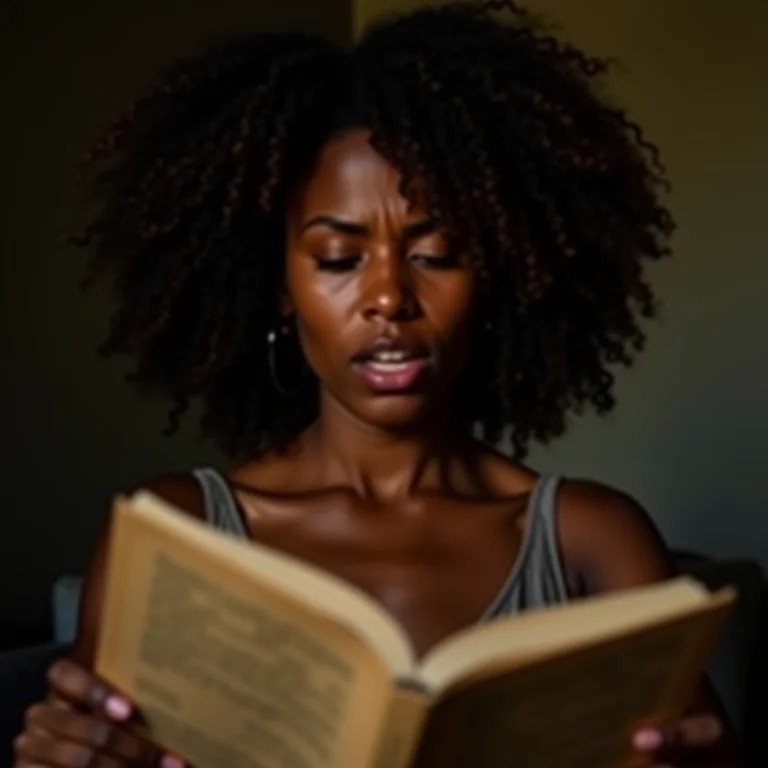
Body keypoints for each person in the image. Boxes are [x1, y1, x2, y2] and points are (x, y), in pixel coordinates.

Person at [14, 2, 740, 766]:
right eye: (337, 258)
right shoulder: (177, 531)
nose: (389, 296)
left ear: (494, 278)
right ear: (278, 286)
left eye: (438, 254)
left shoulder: (591, 538)